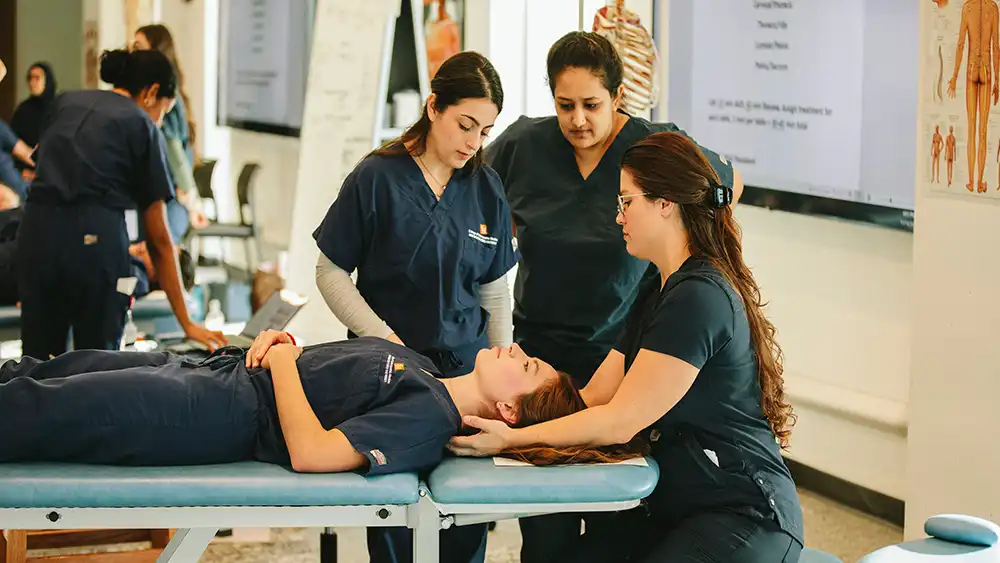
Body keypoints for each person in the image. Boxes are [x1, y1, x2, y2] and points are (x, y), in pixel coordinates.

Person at [451, 132, 804, 563]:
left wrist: (511, 438)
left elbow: (620, 421)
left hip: (743, 516)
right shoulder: (658, 289)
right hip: (681, 507)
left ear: (665, 203)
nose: (618, 217)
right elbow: (596, 396)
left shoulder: (699, 297)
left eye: (626, 202)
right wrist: (505, 405)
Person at [483, 31, 742, 561]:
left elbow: (727, 186)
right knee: (548, 528)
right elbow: (470, 193)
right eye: (565, 105)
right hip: (542, 360)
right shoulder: (521, 146)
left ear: (619, 98)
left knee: (617, 511)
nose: (578, 119)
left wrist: (693, 260)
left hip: (624, 352)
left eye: (592, 105)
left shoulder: (649, 148)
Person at [312, 51, 516, 563]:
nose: (473, 143)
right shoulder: (377, 178)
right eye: (465, 125)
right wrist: (381, 335)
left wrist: (506, 370)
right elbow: (330, 271)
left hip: (465, 377)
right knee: (395, 516)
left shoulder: (485, 188)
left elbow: (494, 291)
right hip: (390, 373)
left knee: (463, 518)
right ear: (433, 107)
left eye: (485, 132)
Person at [0, 330, 639, 476]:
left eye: (526, 368)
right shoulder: (424, 369)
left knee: (31, 408)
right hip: (209, 374)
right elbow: (318, 377)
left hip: (212, 413)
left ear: (508, 413)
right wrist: (283, 346)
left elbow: (309, 453)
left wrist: (279, 361)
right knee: (36, 372)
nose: (517, 349)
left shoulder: (427, 418)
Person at [16, 48, 226, 360]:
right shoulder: (139, 123)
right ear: (152, 93)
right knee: (98, 370)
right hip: (93, 243)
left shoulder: (65, 102)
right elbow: (159, 239)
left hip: (34, 235)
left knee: (35, 368)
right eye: (164, 112)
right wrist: (187, 322)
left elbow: (39, 169)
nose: (159, 120)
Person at [133, 24, 207, 243]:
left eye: (139, 47)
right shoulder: (147, 91)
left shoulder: (165, 94)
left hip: (171, 199)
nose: (133, 53)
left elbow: (174, 151)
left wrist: (192, 202)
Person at [11, 61, 57, 180]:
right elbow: (12, 142)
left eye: (37, 78)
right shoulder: (23, 110)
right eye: (30, 78)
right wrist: (21, 171)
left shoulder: (57, 108)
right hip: (24, 175)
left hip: (53, 175)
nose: (32, 83)